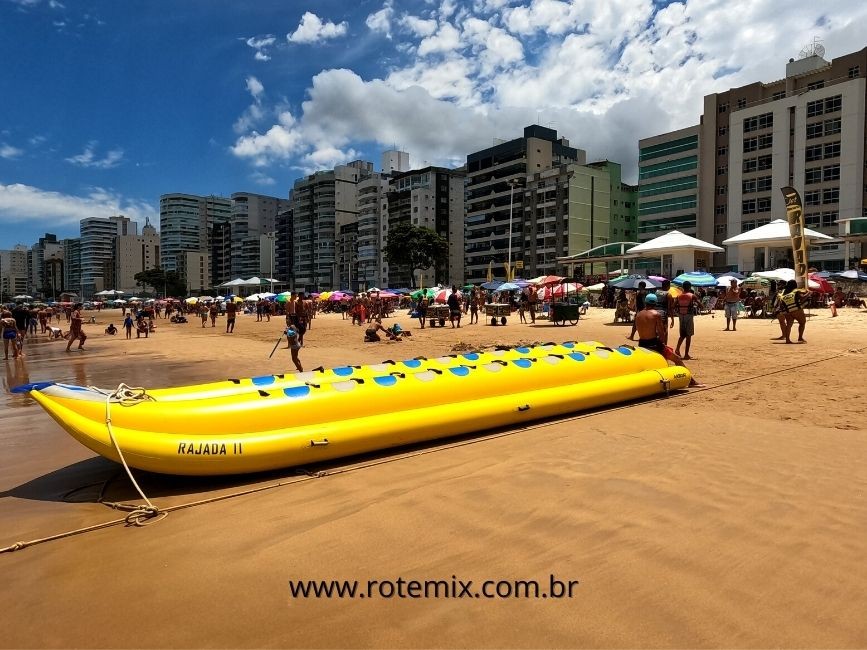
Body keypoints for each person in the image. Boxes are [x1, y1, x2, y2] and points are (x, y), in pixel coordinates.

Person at [635, 293, 702, 387]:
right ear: (655, 303)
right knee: (677, 359)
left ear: (645, 302)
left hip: (642, 344)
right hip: (654, 343)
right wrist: (663, 344)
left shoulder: (638, 314)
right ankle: (691, 382)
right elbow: (661, 333)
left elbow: (638, 329)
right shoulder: (656, 314)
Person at [674, 280, 700, 360]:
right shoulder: (692, 295)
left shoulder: (679, 296)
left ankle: (677, 349)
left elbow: (674, 305)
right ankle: (686, 354)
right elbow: (700, 304)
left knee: (682, 334)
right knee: (689, 335)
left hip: (681, 316)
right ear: (689, 287)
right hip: (688, 316)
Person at [778, 279, 807, 344]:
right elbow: (802, 299)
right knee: (802, 323)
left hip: (787, 311)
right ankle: (800, 337)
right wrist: (809, 293)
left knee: (789, 324)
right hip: (796, 309)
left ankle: (787, 340)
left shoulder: (783, 292)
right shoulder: (796, 291)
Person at [654, 280, 675, 344]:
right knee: (664, 332)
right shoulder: (668, 295)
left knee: (656, 331)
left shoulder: (656, 292)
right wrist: (672, 319)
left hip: (654, 313)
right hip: (663, 314)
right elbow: (670, 308)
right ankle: (664, 347)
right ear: (668, 286)